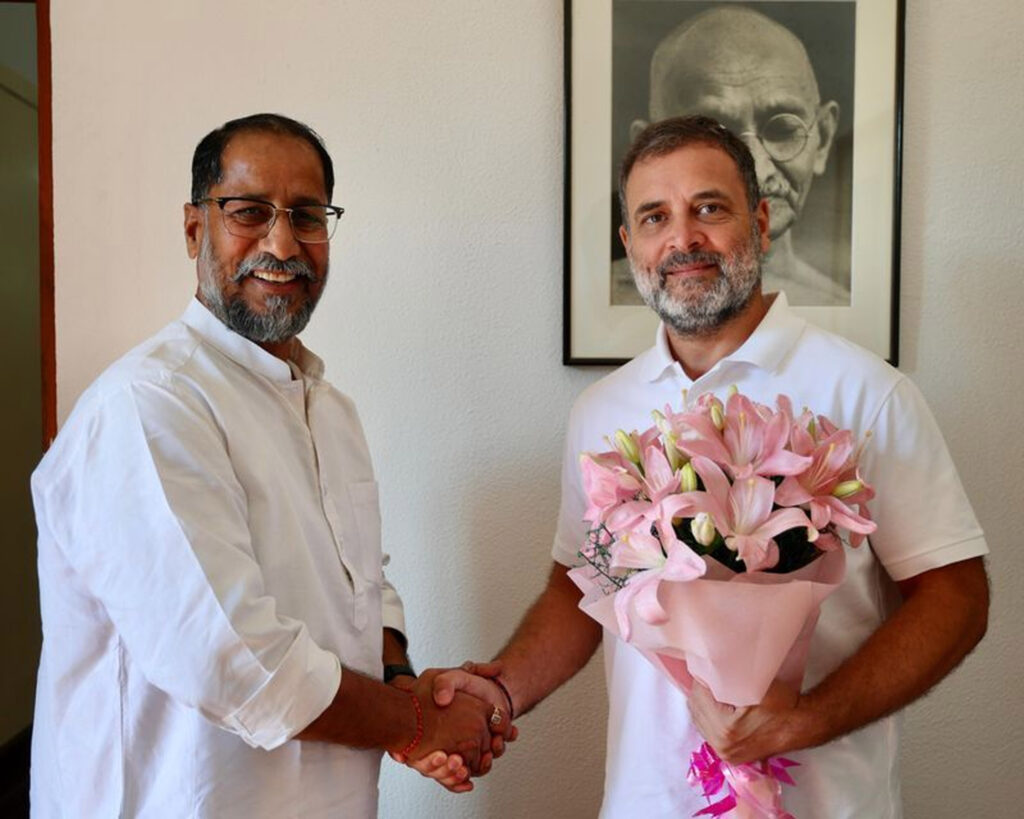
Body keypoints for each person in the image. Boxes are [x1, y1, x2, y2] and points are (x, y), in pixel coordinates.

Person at [426, 116, 989, 816]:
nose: (683, 238)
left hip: (827, 804)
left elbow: (955, 597)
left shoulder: (865, 394)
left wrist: (806, 719)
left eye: (710, 208)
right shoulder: (603, 412)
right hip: (646, 802)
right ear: (630, 244)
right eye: (655, 217)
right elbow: (582, 589)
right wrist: (502, 690)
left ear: (761, 222)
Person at [30, 113, 511, 818]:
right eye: (249, 212)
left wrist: (403, 682)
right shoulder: (149, 405)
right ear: (194, 229)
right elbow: (228, 657)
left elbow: (362, 586)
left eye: (307, 216)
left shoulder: (331, 410)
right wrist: (417, 724)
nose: (282, 245)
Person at [613, 6, 849, 307]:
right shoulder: (612, 294)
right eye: (714, 137)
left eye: (783, 130)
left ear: (824, 138)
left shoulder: (838, 307)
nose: (758, 170)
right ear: (649, 151)